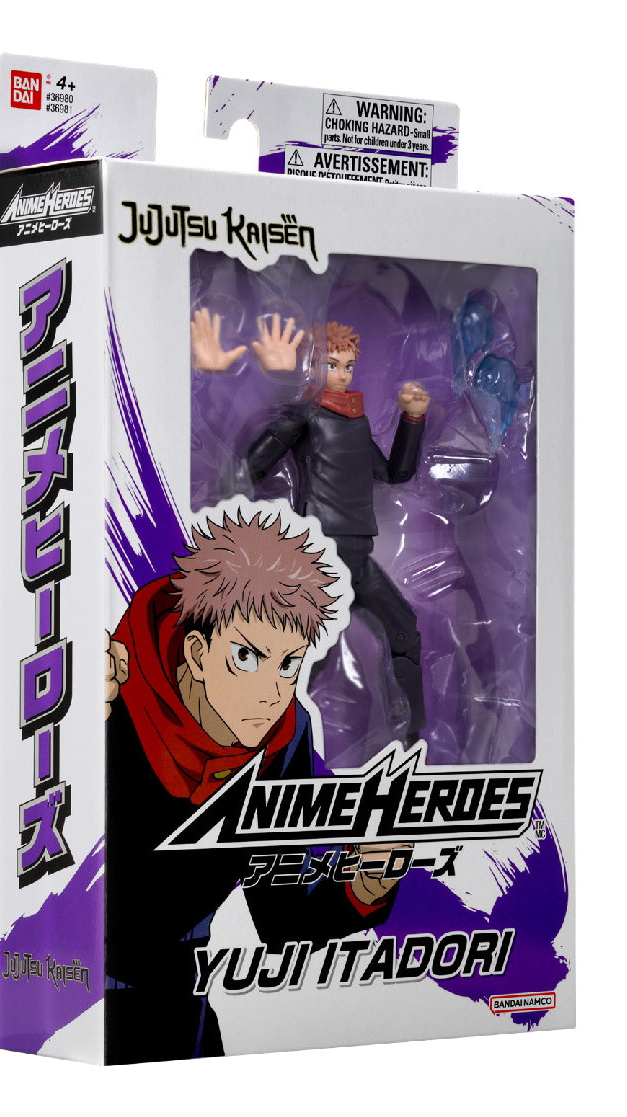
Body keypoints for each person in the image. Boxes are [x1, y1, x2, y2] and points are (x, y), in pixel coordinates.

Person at [104, 507, 402, 1062]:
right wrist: (62, 722)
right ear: (198, 654)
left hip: (183, 1002)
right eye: (246, 657)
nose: (270, 692)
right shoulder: (112, 698)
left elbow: (282, 917)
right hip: (80, 997)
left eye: (288, 664)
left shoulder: (285, 737)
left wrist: (359, 891)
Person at [191, 310, 430, 740]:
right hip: (320, 558)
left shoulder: (356, 423)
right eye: (332, 365)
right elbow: (248, 469)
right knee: (307, 655)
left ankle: (413, 732)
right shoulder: (304, 417)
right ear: (314, 365)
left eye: (348, 366)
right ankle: (260, 731)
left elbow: (396, 473)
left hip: (359, 558)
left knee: (403, 628)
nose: (342, 375)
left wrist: (413, 419)